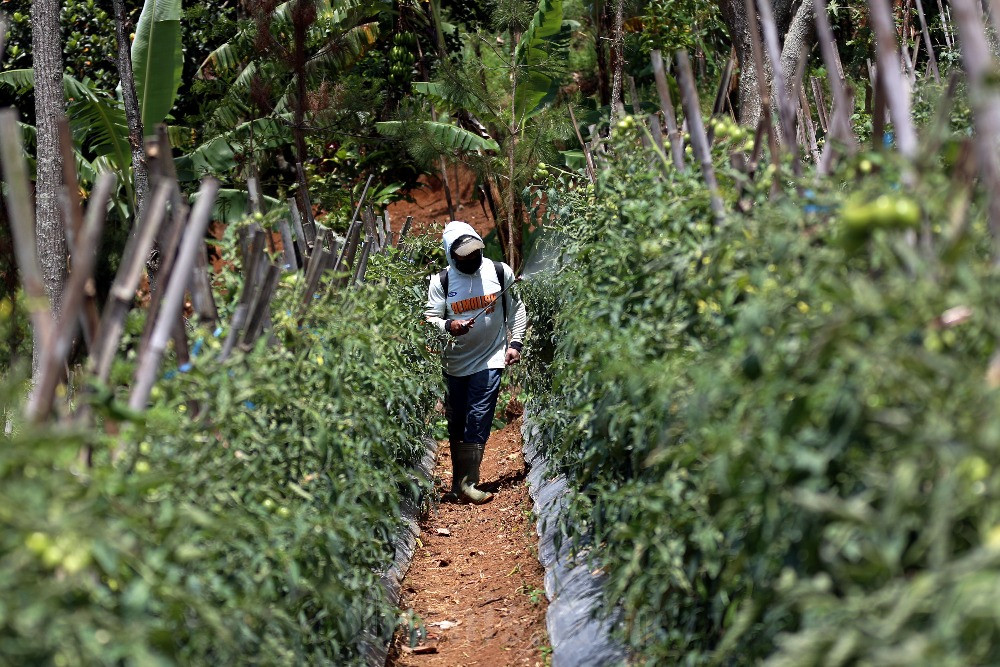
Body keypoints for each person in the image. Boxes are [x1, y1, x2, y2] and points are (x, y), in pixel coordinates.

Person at [425, 221, 527, 504]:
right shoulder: (441, 282)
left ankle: (470, 482)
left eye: (475, 253)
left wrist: (515, 343)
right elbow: (430, 319)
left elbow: (516, 308)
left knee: (479, 414)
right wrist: (449, 326)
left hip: (490, 356)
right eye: (464, 256)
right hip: (454, 363)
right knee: (457, 420)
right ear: (450, 255)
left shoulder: (499, 271)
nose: (472, 259)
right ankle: (459, 483)